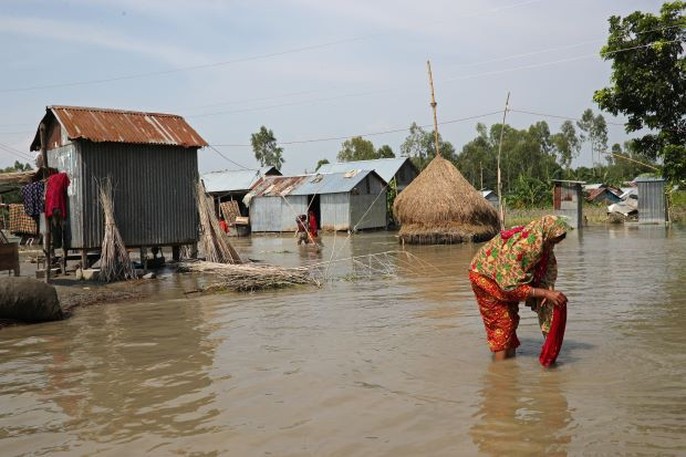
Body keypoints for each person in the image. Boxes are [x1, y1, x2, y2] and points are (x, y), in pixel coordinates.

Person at [468, 215, 570, 361]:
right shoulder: (523, 247)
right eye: (552, 242)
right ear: (546, 235)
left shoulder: (540, 243)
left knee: (511, 320)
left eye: (555, 243)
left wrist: (547, 291)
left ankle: (510, 368)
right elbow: (510, 287)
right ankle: (500, 375)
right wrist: (544, 293)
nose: (552, 246)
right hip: (485, 277)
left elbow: (546, 272)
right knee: (502, 324)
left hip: (504, 277)